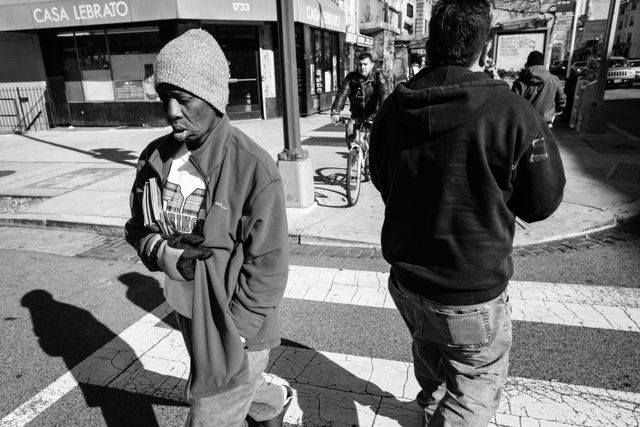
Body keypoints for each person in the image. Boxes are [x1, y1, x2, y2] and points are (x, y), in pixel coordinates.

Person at [369, 1, 565, 426]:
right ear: (484, 43)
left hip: (408, 280)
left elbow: (381, 178)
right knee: (474, 385)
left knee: (432, 357)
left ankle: (428, 408)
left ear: (431, 40)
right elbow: (543, 201)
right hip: (469, 287)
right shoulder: (511, 112)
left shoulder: (393, 109)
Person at [124, 29, 292, 427]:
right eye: (165, 97)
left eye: (183, 99)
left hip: (235, 324)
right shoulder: (156, 157)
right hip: (186, 310)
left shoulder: (253, 167)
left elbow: (269, 264)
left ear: (213, 98)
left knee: (211, 417)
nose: (170, 111)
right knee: (238, 392)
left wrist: (235, 332)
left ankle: (255, 389)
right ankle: (271, 400)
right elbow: (137, 227)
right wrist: (163, 255)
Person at [330, 52, 389, 148]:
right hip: (355, 116)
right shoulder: (351, 78)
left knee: (376, 145)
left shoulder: (378, 76)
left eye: (365, 64)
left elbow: (384, 95)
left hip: (373, 116)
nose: (362, 67)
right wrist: (335, 112)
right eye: (360, 64)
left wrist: (384, 114)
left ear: (372, 65)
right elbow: (342, 94)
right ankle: (354, 157)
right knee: (350, 140)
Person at [511, 50, 567, 126]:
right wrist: (557, 110)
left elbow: (513, 102)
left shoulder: (520, 81)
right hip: (545, 121)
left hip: (525, 121)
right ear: (542, 63)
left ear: (528, 63)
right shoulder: (553, 80)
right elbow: (561, 99)